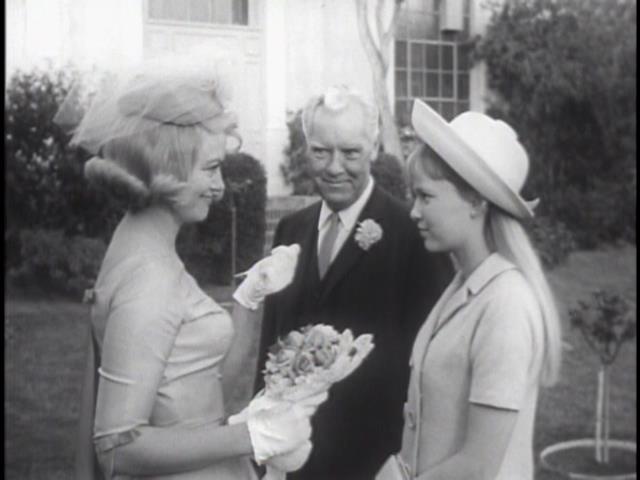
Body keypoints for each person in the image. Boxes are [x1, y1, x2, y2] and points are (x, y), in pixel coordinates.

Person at [59, 55, 316, 480]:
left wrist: (248, 298)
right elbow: (117, 448)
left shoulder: (142, 246)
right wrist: (251, 436)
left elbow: (196, 388)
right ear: (168, 168)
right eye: (211, 169)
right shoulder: (150, 278)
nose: (219, 187)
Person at [254, 86, 452, 480]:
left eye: (350, 152)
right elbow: (270, 346)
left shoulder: (412, 235)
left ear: (374, 149)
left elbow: (432, 369)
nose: (334, 167)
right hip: (290, 459)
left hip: (373, 461)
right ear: (305, 149)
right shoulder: (290, 230)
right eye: (320, 151)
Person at [388, 99, 563, 479]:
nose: (414, 211)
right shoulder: (464, 286)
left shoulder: (506, 305)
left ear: (476, 202)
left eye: (425, 196)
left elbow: (479, 466)